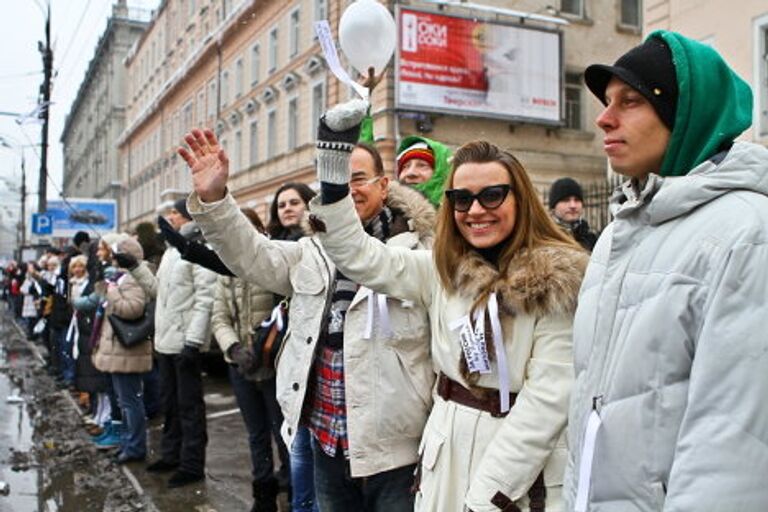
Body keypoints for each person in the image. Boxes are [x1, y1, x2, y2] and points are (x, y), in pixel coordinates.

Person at [563, 31, 768, 511]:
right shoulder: (620, 232)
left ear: (687, 113)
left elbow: (733, 442)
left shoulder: (746, 233)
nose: (604, 118)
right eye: (606, 101)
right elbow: (593, 407)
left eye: (630, 101)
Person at [183, 131, 436, 511]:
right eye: (337, 181)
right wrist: (216, 200)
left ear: (384, 186)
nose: (348, 190)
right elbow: (250, 254)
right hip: (327, 443)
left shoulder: (423, 252)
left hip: (398, 453)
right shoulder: (311, 252)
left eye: (358, 178)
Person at [124, 198, 218, 488]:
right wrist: (135, 268)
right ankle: (171, 454)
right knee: (170, 404)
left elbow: (206, 298)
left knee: (189, 407)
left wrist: (193, 341)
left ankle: (192, 464)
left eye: (176, 213)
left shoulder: (198, 249)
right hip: (165, 343)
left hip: (184, 344)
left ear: (189, 217)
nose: (171, 217)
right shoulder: (170, 253)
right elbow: (157, 291)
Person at [210, 207, 290, 512]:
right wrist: (233, 349)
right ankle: (263, 497)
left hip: (272, 365)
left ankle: (294, 495)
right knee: (256, 435)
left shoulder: (271, 258)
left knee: (282, 434)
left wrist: (263, 350)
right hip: (240, 367)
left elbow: (283, 310)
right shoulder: (225, 266)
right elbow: (219, 317)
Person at [91, 234, 152, 464]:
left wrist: (112, 290)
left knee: (131, 401)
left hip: (128, 350)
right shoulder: (120, 277)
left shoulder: (132, 278)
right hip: (119, 350)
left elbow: (133, 308)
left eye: (109, 251)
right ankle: (127, 443)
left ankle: (136, 447)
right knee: (123, 400)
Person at [395, 136, 452, 207]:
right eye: (405, 166)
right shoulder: (384, 214)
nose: (411, 172)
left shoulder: (456, 215)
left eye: (422, 165)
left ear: (441, 173)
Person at [547, 177, 597, 251]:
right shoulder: (544, 237)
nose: (572, 205)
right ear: (553, 207)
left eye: (577, 200)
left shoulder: (592, 240)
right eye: (565, 200)